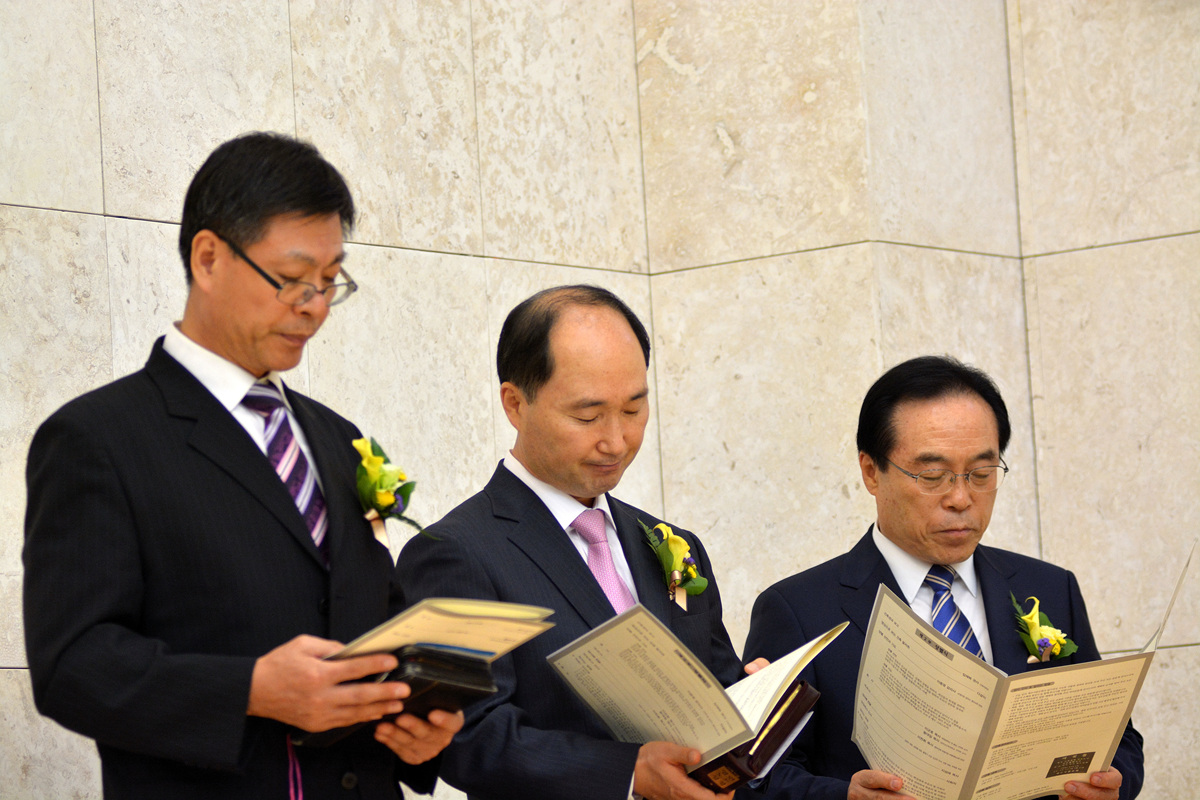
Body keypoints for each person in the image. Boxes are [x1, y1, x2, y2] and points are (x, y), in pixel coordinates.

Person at [22, 132, 461, 800]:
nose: (314, 305)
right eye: (291, 279)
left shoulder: (339, 440)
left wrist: (417, 724)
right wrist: (251, 690)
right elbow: (73, 665)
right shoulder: (97, 439)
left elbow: (376, 624)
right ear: (208, 258)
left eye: (329, 280)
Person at [396, 285, 756, 800]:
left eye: (633, 410)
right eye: (587, 416)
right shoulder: (455, 552)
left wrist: (753, 698)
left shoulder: (675, 544)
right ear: (515, 403)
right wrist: (629, 773)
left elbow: (713, 691)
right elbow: (470, 735)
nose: (616, 441)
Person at [744, 355, 1143, 800]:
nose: (960, 498)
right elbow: (758, 776)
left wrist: (1112, 784)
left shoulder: (1049, 588)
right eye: (933, 476)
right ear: (871, 472)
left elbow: (1116, 736)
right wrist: (845, 797)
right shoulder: (798, 610)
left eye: (981, 473)